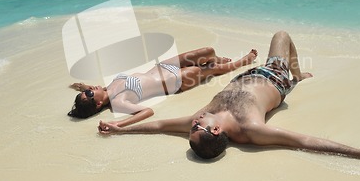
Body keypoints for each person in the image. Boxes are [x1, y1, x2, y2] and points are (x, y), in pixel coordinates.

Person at [98, 31, 360, 165]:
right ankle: (296, 76)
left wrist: (120, 129)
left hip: (244, 76)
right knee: (282, 36)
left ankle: (299, 76)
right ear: (214, 131)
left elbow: (160, 125)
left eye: (193, 126)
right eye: (195, 126)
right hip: (273, 76)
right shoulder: (250, 129)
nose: (193, 120)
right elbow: (305, 141)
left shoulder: (203, 121)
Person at [68, 46, 258, 127]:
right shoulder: (119, 102)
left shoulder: (108, 87)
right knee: (211, 69)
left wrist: (82, 86)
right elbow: (147, 112)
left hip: (163, 66)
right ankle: (241, 62)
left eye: (87, 91)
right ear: (99, 104)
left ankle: (214, 59)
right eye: (89, 94)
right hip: (175, 82)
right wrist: (119, 123)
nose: (90, 90)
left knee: (207, 51)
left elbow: (97, 90)